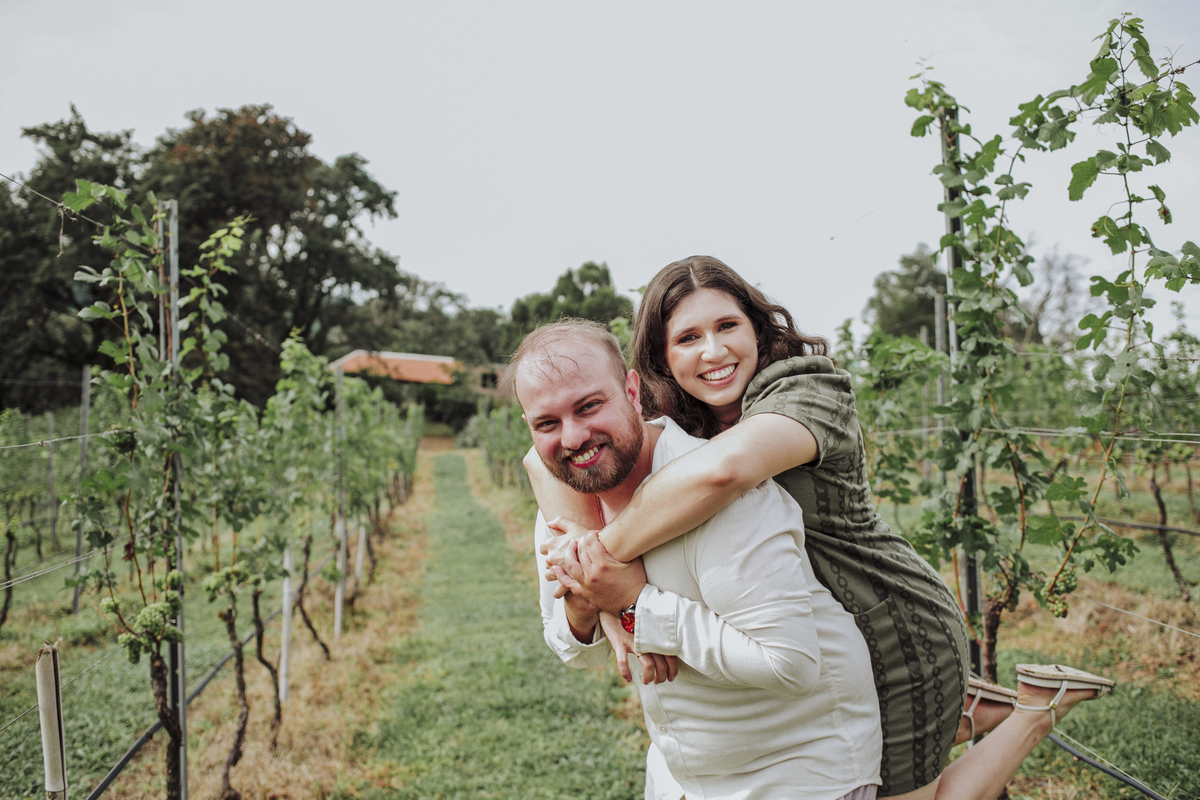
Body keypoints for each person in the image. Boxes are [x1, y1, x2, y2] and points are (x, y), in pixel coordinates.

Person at [534, 256, 1113, 800]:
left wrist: (602, 571)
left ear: (756, 327)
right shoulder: (687, 417)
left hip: (892, 630)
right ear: (661, 360)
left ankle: (1037, 709)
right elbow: (542, 461)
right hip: (825, 637)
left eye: (727, 325)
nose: (713, 350)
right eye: (688, 338)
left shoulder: (806, 389)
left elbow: (722, 472)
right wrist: (601, 598)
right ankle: (967, 712)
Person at [512, 319, 883, 800]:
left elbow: (790, 665)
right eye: (547, 423)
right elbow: (570, 648)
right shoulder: (568, 512)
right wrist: (586, 602)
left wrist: (636, 605)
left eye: (590, 406)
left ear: (632, 391)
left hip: (802, 773)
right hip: (679, 779)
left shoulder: (722, 498)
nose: (573, 437)